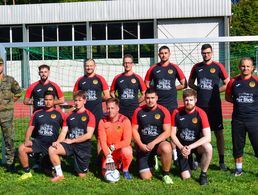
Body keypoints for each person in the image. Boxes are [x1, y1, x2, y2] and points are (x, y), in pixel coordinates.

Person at [188, 44, 229, 170]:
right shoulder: (197, 67)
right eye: (204, 53)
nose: (206, 55)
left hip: (214, 106)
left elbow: (227, 83)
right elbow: (190, 83)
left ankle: (221, 161)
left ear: (212, 53)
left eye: (208, 52)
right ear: (201, 53)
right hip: (200, 106)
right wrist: (198, 90)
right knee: (199, 133)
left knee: (219, 133)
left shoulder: (218, 66)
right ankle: (198, 159)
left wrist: (217, 91)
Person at [144, 45, 187, 162]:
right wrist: (154, 90)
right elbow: (146, 83)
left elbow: (184, 83)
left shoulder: (174, 68)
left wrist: (173, 88)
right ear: (159, 54)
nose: (163, 55)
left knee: (173, 130)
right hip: (158, 105)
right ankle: (155, 152)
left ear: (169, 54)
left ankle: (175, 154)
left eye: (165, 53)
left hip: (172, 104)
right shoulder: (153, 68)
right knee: (157, 128)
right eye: (161, 53)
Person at [48, 90, 95, 182]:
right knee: (52, 149)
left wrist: (72, 140)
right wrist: (58, 142)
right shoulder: (69, 115)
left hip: (83, 146)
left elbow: (89, 135)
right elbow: (63, 132)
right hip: (70, 144)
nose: (77, 103)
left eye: (79, 100)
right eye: (75, 100)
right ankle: (59, 174)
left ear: (85, 101)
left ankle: (81, 165)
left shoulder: (90, 115)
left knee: (82, 175)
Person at [18, 91, 65, 180]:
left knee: (48, 171)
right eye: (46, 99)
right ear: (43, 100)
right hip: (39, 143)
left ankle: (51, 165)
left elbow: (65, 130)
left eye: (50, 100)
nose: (48, 102)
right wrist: (27, 139)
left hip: (52, 146)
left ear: (54, 100)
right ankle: (27, 172)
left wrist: (61, 142)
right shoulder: (37, 113)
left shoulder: (59, 114)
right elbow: (30, 127)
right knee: (21, 148)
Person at [171, 89, 212, 185]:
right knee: (186, 177)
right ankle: (191, 163)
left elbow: (208, 137)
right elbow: (172, 134)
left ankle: (203, 174)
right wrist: (181, 147)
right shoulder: (176, 112)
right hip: (182, 146)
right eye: (186, 100)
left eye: (191, 100)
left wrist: (190, 147)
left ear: (195, 100)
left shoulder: (201, 113)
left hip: (196, 146)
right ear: (183, 100)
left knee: (208, 147)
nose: (188, 102)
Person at [132, 88, 173, 184]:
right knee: (146, 178)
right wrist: (140, 145)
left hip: (158, 145)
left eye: (152, 98)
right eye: (147, 98)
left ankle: (165, 174)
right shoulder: (138, 111)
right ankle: (151, 161)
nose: (150, 100)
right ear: (144, 99)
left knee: (167, 147)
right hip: (144, 146)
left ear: (157, 98)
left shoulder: (163, 111)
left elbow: (167, 132)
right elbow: (134, 130)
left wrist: (153, 143)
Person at [225, 57, 258, 176]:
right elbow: (228, 97)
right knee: (237, 145)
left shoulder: (256, 81)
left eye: (248, 66)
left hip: (254, 120)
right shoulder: (233, 81)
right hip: (238, 119)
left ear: (252, 68)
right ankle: (238, 170)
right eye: (243, 66)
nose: (245, 68)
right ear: (239, 67)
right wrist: (240, 102)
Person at [73, 59, 110, 145]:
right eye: (87, 66)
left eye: (91, 65)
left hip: (98, 113)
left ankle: (100, 157)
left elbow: (107, 96)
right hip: (84, 113)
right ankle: (83, 155)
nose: (89, 67)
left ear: (94, 66)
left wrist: (99, 98)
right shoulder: (80, 80)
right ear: (84, 67)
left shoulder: (100, 79)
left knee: (100, 137)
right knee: (83, 136)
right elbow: (75, 95)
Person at [98, 98, 133, 180]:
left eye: (112, 108)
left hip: (120, 149)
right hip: (109, 153)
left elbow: (127, 141)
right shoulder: (102, 121)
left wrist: (114, 147)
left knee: (127, 151)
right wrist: (107, 155)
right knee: (108, 176)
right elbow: (102, 141)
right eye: (108, 108)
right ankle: (116, 164)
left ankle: (125, 170)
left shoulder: (125, 120)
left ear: (118, 108)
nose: (110, 110)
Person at [0, 57, 22, 172]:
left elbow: (18, 92)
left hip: (6, 115)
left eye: (0, 65)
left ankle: (10, 164)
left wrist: (9, 103)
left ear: (3, 66)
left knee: (9, 139)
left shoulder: (9, 80)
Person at [110, 54, 146, 120]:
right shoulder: (117, 78)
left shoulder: (137, 78)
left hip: (134, 109)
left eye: (129, 63)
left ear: (132, 64)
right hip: (121, 109)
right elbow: (112, 92)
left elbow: (144, 93)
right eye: (125, 63)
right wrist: (118, 101)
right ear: (123, 64)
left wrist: (136, 101)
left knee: (134, 128)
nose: (127, 65)